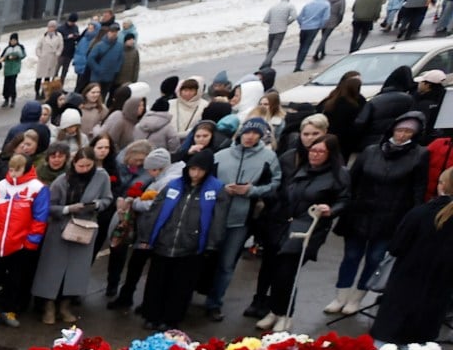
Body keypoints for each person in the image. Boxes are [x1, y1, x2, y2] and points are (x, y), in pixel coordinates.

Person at [327, 110, 429, 316]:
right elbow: (352, 181)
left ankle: (358, 296)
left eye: (408, 131)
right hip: (360, 212)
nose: (402, 134)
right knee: (351, 255)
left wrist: (413, 219)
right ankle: (341, 295)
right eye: (400, 129)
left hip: (391, 216)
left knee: (375, 258)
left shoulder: (419, 155)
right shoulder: (371, 151)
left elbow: (418, 189)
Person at [254, 133, 347, 332]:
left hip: (308, 229)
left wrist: (330, 210)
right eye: (313, 150)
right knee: (274, 270)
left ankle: (286, 314)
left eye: (321, 151)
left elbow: (344, 200)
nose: (315, 155)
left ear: (330, 154)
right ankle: (274, 310)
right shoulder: (301, 168)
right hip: (283, 225)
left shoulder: (338, 175)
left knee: (287, 273)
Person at [204, 117, 280, 319]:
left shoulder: (269, 158)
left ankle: (214, 303)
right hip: (212, 216)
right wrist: (221, 189)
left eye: (256, 133)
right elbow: (205, 179)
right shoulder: (221, 155)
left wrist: (251, 190)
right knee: (202, 258)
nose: (250, 136)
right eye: (247, 132)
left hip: (240, 219)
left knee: (227, 264)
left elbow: (275, 184)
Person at [139, 150, 222, 330]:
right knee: (156, 281)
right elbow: (155, 209)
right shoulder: (174, 185)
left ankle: (171, 318)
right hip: (165, 241)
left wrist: (212, 244)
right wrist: (146, 236)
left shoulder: (215, 189)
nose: (195, 174)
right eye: (192, 169)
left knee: (181, 285)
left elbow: (218, 218)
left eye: (200, 170)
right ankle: (151, 315)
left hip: (191, 246)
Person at [30, 146, 113, 324]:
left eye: (88, 166)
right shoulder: (62, 181)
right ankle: (49, 306)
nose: (84, 169)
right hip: (60, 228)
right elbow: (49, 207)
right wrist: (68, 208)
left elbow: (108, 199)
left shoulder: (102, 177)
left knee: (76, 271)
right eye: (80, 166)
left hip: (85, 227)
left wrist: (97, 205)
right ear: (74, 163)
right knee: (52, 270)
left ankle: (65, 306)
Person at [370, 167, 453, 342]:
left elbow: (396, 247)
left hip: (405, 286)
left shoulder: (421, 213)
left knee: (386, 349)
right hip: (438, 292)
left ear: (442, 186)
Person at [0, 154, 49, 328]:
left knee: (14, 280)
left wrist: (31, 243)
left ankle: (9, 310)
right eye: (11, 169)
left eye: (17, 170)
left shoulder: (37, 189)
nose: (13, 173)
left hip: (20, 245)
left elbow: (40, 219)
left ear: (26, 169)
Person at [294, 0, 331, 72]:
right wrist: (320, 26)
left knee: (301, 46)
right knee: (306, 46)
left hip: (304, 27)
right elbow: (326, 18)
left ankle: (298, 63)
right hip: (314, 27)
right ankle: (298, 66)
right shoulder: (326, 4)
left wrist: (301, 24)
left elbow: (299, 17)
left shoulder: (309, 4)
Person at [263, 0, 294, 65]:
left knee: (270, 49)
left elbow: (266, 19)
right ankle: (264, 65)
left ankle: (267, 65)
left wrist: (273, 22)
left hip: (271, 30)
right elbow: (294, 17)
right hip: (281, 30)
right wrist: (286, 23)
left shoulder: (274, 6)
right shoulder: (290, 6)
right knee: (274, 49)